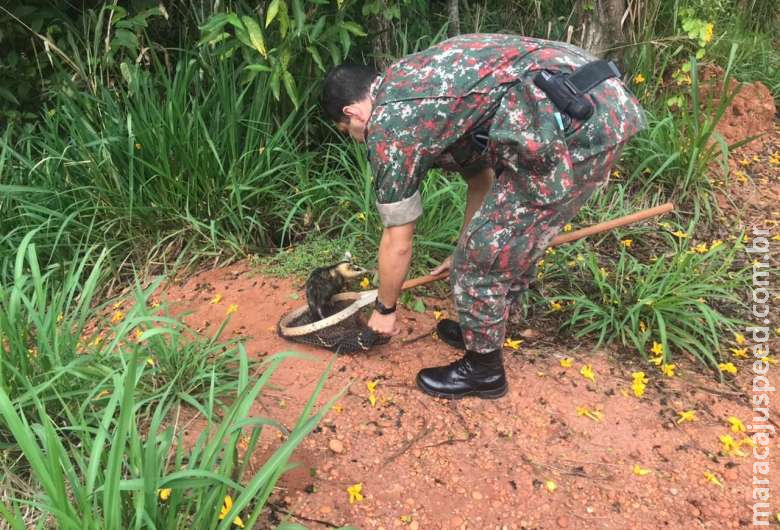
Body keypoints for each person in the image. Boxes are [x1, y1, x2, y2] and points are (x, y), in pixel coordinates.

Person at [320, 33, 645, 399]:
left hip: (578, 120)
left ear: (351, 113)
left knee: (482, 258)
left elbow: (398, 239)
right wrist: (463, 244)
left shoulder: (388, 127)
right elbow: (479, 177)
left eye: (348, 131)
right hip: (595, 97)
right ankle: (488, 327)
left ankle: (483, 370)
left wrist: (385, 310)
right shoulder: (414, 83)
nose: (357, 137)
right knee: (494, 241)